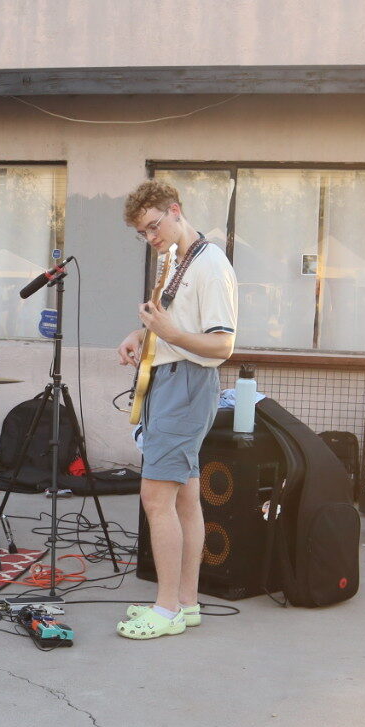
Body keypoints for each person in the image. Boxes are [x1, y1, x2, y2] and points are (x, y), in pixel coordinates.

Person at [116, 180, 237, 640]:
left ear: (174, 210)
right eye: (143, 233)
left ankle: (165, 609)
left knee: (156, 498)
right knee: (185, 497)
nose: (151, 238)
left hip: (187, 381)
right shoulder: (176, 259)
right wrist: (141, 332)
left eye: (153, 227)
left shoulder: (211, 266)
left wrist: (169, 333)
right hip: (171, 379)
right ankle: (185, 603)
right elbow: (168, 317)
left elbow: (223, 343)